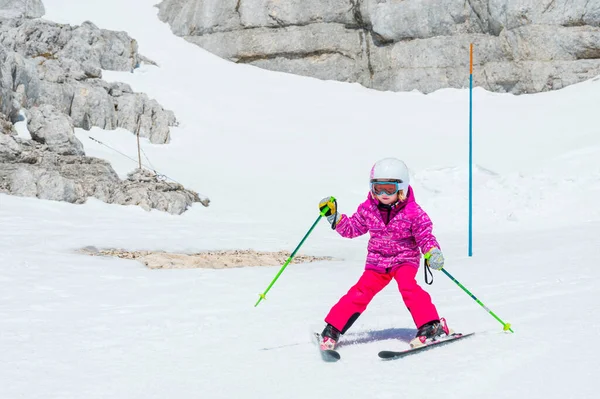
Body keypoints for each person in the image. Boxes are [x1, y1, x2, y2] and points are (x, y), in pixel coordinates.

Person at [318, 157, 450, 350]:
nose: (383, 194)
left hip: (404, 259)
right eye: (378, 188)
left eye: (389, 189)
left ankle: (431, 326)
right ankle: (333, 328)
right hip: (377, 262)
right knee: (360, 291)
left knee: (408, 286)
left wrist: (432, 251)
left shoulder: (413, 212)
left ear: (402, 188)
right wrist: (334, 218)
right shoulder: (368, 209)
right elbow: (352, 228)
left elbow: (424, 234)